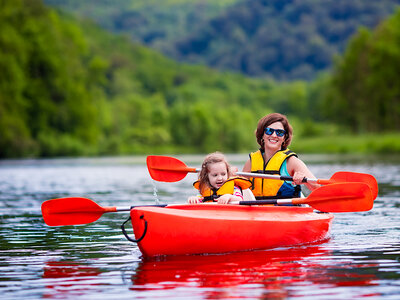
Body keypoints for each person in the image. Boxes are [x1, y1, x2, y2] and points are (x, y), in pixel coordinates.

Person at [242, 113, 319, 200]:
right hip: (256, 212)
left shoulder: (292, 162)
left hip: (285, 211)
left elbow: (317, 188)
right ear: (262, 134)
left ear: (284, 137)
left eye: (279, 132)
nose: (274, 135)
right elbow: (239, 190)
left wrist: (304, 180)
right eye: (269, 131)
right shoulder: (251, 162)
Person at [187, 152, 252, 204]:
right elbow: (199, 200)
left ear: (227, 173)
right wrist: (193, 199)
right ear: (207, 176)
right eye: (215, 175)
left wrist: (229, 197)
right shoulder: (203, 189)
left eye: (223, 174)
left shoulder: (234, 188)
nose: (220, 178)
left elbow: (240, 199)